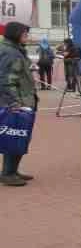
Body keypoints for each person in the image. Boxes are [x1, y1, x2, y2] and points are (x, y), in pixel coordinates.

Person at [0, 22, 38, 186]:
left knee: (16, 135)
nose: (27, 36)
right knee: (15, 136)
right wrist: (15, 103)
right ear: (15, 34)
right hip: (18, 102)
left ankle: (12, 170)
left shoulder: (14, 50)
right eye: (24, 33)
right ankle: (8, 173)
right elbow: (7, 80)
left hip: (20, 100)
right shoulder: (12, 53)